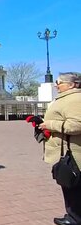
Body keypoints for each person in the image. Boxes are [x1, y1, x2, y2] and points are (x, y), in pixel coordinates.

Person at [38, 72, 81, 225]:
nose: (56, 85)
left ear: (73, 84)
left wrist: (50, 125)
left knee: (73, 184)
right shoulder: (66, 98)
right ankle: (72, 215)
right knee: (68, 184)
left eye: (60, 82)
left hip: (71, 153)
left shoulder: (75, 99)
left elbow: (77, 125)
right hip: (63, 150)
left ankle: (75, 218)